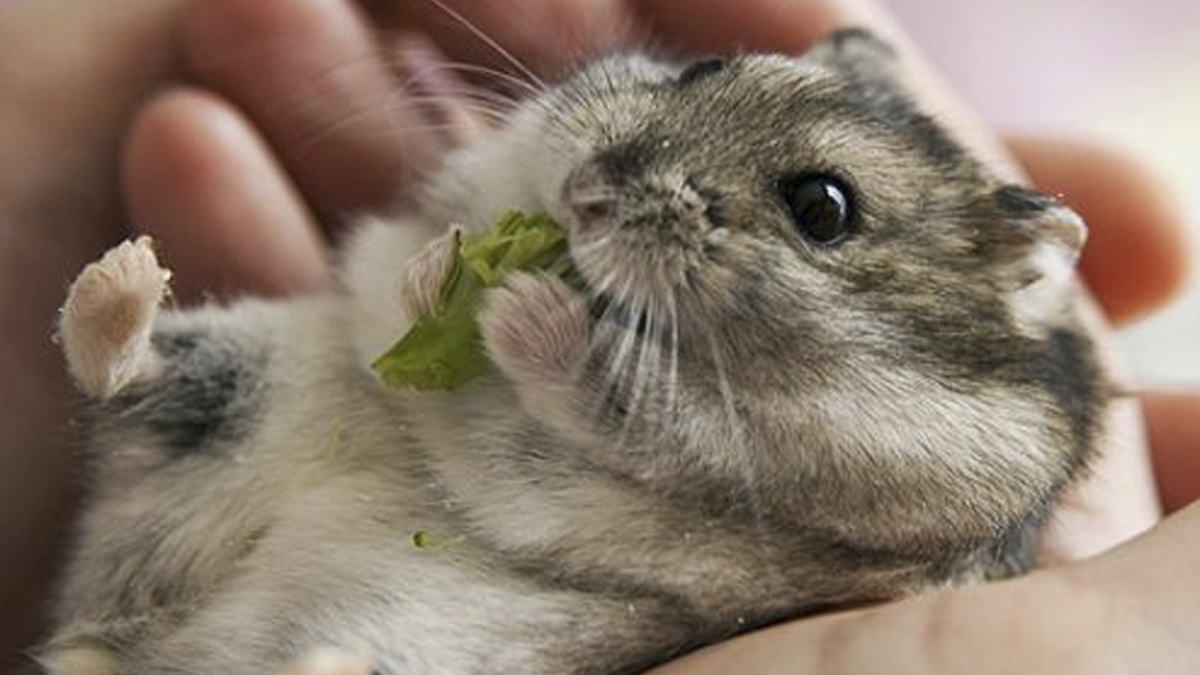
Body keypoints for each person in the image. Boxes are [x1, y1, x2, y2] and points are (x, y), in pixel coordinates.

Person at [1, 0, 1197, 672]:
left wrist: (591, 384)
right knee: (275, 376)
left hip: (512, 575)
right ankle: (144, 375)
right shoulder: (603, 129)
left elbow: (759, 491)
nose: (631, 170)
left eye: (816, 209)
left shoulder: (962, 440)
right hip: (381, 449)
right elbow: (408, 262)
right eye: (695, 90)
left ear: (1010, 273)